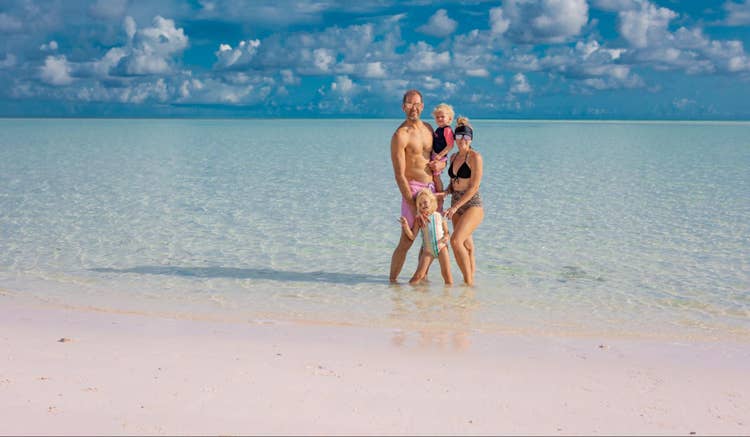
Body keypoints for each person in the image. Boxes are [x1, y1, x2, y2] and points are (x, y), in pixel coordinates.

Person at [389, 89, 445, 283]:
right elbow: (399, 174)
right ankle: (392, 283)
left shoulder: (430, 129)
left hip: (431, 189)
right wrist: (411, 202)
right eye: (410, 104)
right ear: (404, 107)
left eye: (417, 104)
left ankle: (422, 279)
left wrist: (442, 165)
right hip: (412, 189)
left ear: (422, 106)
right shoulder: (400, 135)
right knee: (407, 240)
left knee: (430, 237)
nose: (414, 107)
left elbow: (439, 158)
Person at [444, 116, 484, 286]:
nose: (462, 141)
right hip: (456, 201)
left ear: (471, 139)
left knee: (455, 241)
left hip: (472, 203)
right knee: (467, 246)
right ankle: (469, 280)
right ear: (455, 138)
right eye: (459, 137)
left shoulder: (475, 157)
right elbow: (454, 182)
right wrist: (445, 191)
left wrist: (454, 208)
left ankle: (468, 285)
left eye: (466, 137)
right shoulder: (453, 157)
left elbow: (474, 187)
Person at [399, 188, 453, 285]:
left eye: (424, 202)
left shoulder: (439, 216)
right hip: (428, 251)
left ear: (431, 202)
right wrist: (406, 226)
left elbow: (447, 232)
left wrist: (446, 237)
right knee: (418, 276)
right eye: (419, 204)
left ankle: (448, 298)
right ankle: (404, 293)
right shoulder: (419, 220)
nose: (422, 205)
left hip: (442, 248)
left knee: (447, 276)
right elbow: (412, 236)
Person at [430, 103, 455, 212]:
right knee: (433, 176)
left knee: (436, 177)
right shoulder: (438, 129)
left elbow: (450, 145)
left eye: (442, 117)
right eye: (437, 117)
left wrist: (440, 155)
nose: (440, 119)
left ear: (449, 118)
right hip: (435, 155)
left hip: (440, 156)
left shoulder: (447, 130)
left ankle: (440, 196)